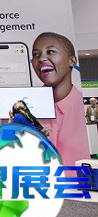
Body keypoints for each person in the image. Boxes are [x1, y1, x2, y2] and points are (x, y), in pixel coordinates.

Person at [31, 32, 91, 166]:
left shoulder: (81, 106)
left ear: (72, 61)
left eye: (50, 51)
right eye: (36, 54)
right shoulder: (24, 110)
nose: (41, 58)